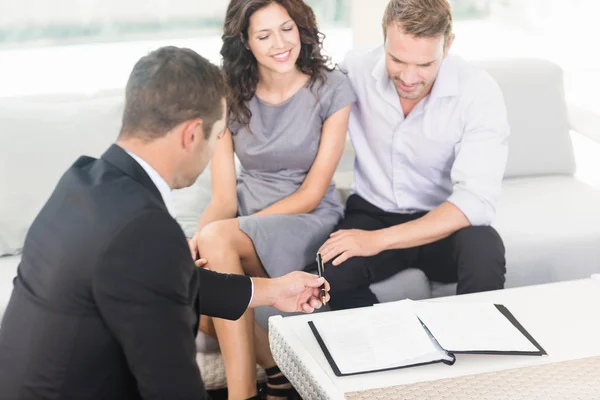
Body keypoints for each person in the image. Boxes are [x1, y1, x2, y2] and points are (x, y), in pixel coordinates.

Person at [0, 46, 329, 400]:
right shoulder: (145, 229)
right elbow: (173, 389)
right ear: (191, 135)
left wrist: (273, 290)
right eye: (218, 134)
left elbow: (157, 277)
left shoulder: (81, 184)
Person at [186, 0, 355, 398]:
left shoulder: (332, 88)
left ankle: (241, 394)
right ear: (245, 41)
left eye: (287, 29)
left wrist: (228, 232)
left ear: (302, 30)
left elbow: (313, 192)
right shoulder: (226, 94)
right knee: (206, 302)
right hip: (243, 221)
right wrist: (197, 241)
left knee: (216, 261)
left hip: (307, 217)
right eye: (264, 35)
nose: (280, 43)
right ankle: (279, 370)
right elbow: (225, 197)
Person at [309, 0, 509, 310]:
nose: (408, 77)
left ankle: (477, 345)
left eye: (425, 65)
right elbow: (303, 93)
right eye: (397, 59)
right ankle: (390, 346)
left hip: (441, 221)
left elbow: (477, 200)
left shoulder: (478, 91)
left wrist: (379, 241)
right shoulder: (357, 68)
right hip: (372, 212)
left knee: (484, 248)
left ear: (448, 44)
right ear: (383, 38)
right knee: (331, 270)